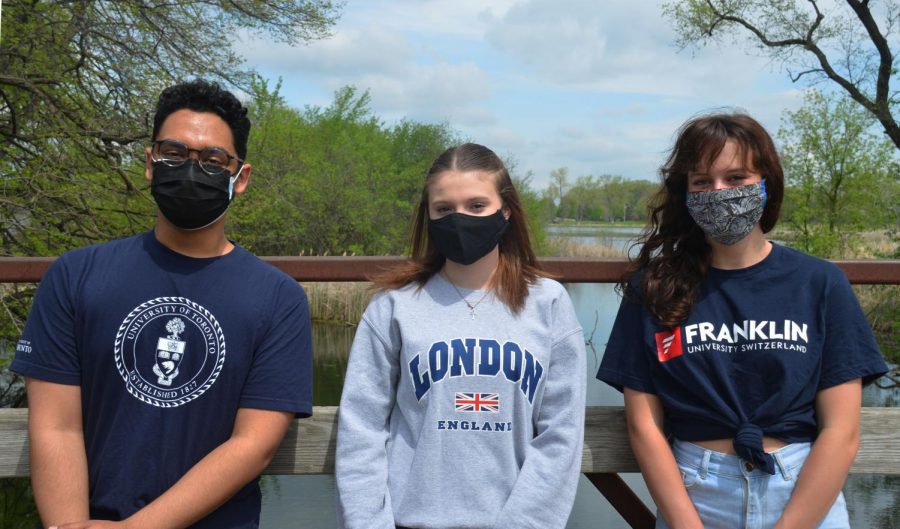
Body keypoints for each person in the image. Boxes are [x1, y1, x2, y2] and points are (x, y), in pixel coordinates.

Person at [11, 79, 313, 529]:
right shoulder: (76, 275)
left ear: (240, 177)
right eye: (174, 153)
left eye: (213, 160)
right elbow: (56, 425)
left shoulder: (278, 298)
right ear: (151, 163)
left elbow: (254, 443)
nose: (191, 169)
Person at [597, 112, 888, 529]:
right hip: (696, 496)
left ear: (766, 183)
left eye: (736, 178)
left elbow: (841, 432)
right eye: (702, 181)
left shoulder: (819, 283)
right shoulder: (656, 287)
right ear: (686, 193)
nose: (719, 192)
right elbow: (643, 425)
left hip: (803, 491)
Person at [335, 143, 586, 529]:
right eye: (444, 209)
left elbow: (560, 435)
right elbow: (362, 431)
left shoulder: (548, 302)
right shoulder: (394, 306)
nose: (459, 219)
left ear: (505, 210)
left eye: (476, 206)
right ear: (429, 215)